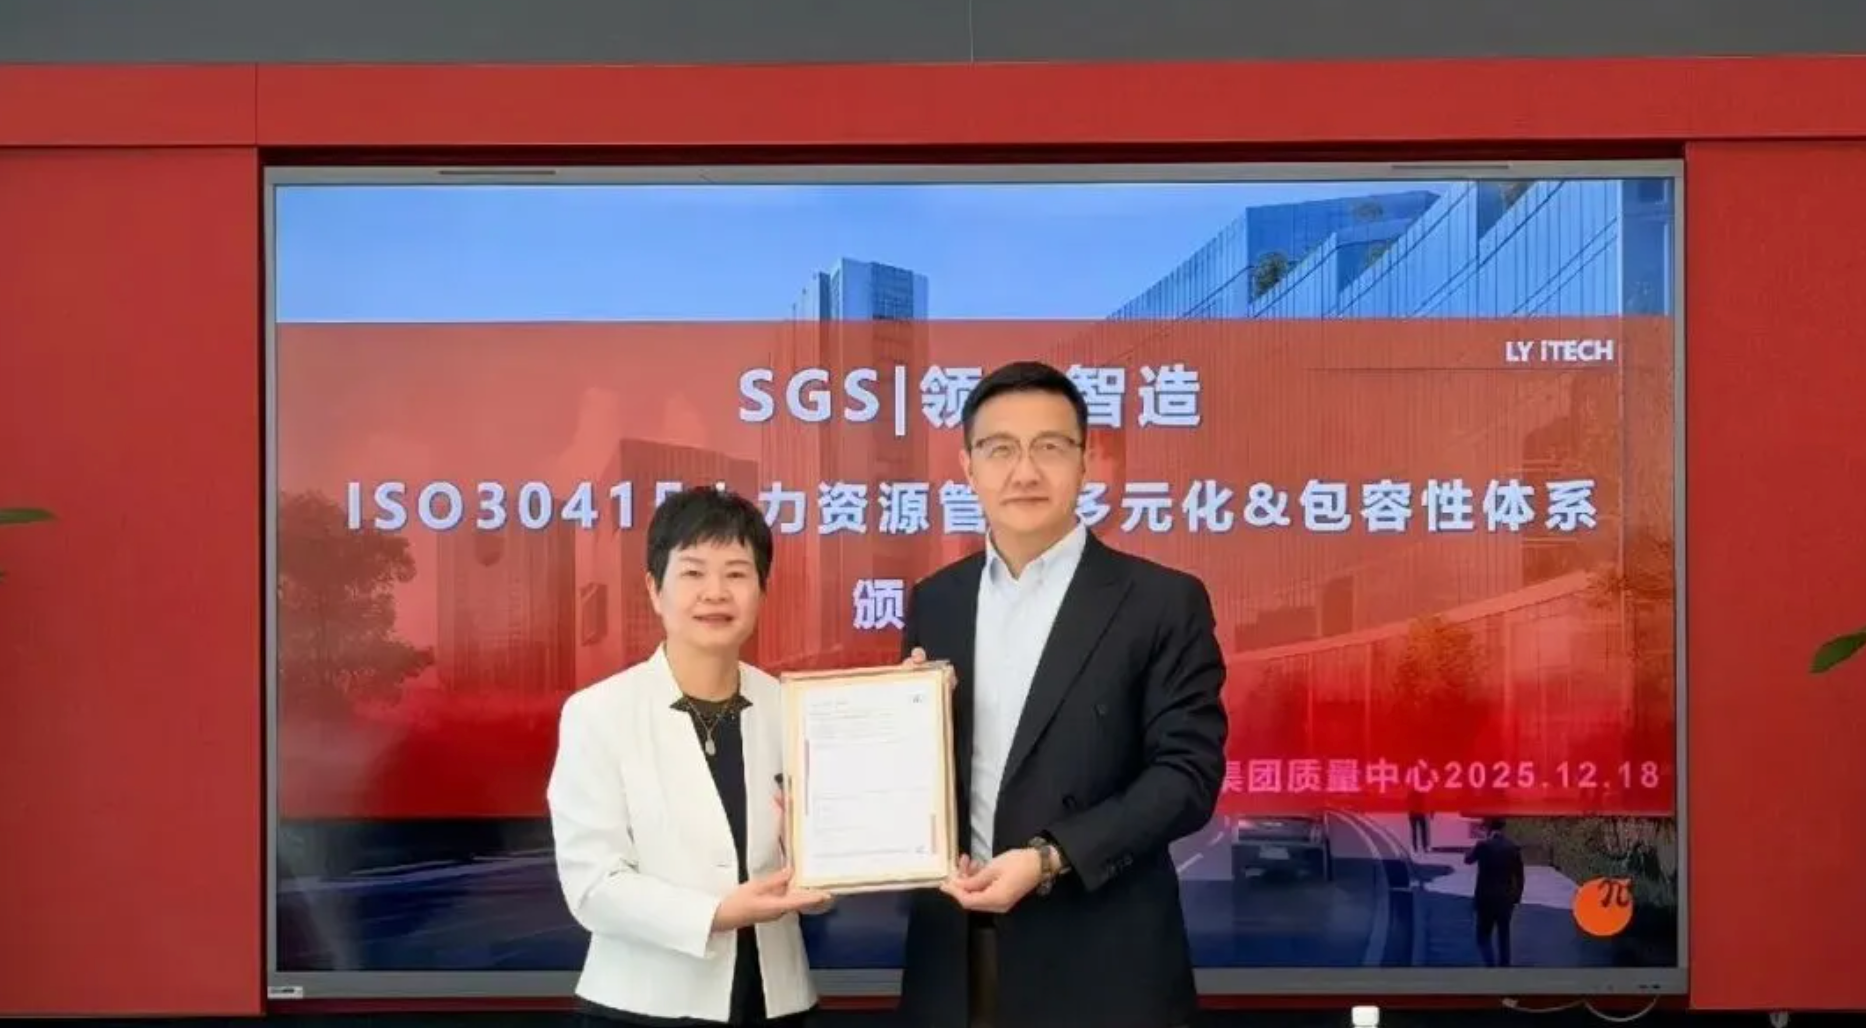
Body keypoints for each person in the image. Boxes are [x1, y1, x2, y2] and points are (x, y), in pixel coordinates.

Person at [896, 361, 1229, 1028]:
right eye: (999, 449)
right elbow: (928, 778)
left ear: (1086, 461)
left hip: (1102, 964)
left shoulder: (1161, 601)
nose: (1024, 472)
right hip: (953, 963)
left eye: (1049, 447)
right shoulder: (937, 601)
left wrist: (1051, 857)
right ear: (967, 467)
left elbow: (1187, 776)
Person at [548, 486, 831, 1027]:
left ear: (762, 590)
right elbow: (593, 886)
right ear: (655, 590)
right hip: (642, 1008)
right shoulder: (598, 713)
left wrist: (823, 875)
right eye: (693, 573)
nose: (715, 593)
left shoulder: (792, 707)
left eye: (737, 573)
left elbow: (823, 856)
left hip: (775, 1002)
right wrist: (716, 914)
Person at [1464, 817, 1526, 967]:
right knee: (1504, 936)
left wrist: (1474, 847)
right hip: (1505, 899)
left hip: (1485, 899)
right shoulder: (1512, 848)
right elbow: (1520, 876)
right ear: (1503, 828)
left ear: (1488, 829)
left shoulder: (1483, 845)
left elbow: (1468, 859)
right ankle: (1504, 967)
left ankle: (1490, 964)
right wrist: (1516, 897)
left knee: (1483, 936)